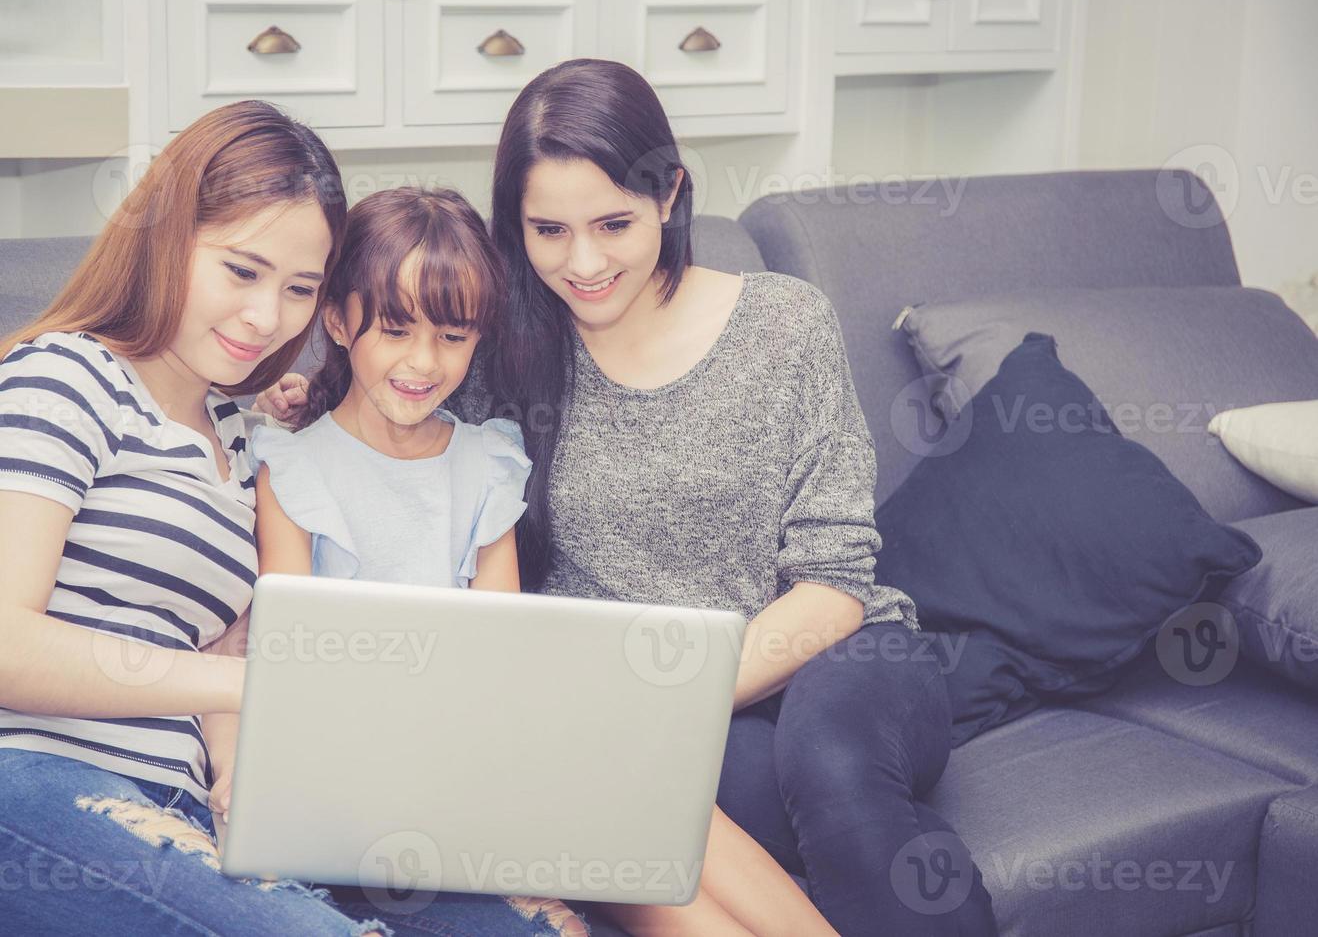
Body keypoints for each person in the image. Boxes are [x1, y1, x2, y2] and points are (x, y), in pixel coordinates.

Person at [257, 59, 999, 936]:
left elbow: (834, 582)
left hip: (835, 659)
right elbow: (395, 385)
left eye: (614, 223)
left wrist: (667, 699)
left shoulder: (785, 326)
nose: (584, 262)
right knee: (676, 806)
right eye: (548, 230)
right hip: (649, 717)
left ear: (669, 195)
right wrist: (297, 388)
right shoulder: (502, 355)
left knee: (831, 762)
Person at [0, 100, 577, 937]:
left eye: (299, 288)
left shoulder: (246, 435)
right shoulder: (65, 377)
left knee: (536, 928)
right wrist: (260, 682)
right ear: (166, 235)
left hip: (199, 810)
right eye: (242, 270)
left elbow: (241, 620)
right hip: (40, 782)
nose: (267, 317)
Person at [243, 185, 831, 937]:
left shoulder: (486, 461)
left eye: (454, 338)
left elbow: (502, 655)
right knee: (611, 796)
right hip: (362, 780)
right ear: (337, 318)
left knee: (642, 795)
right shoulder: (292, 467)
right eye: (394, 331)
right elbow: (300, 674)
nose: (424, 363)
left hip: (481, 761)